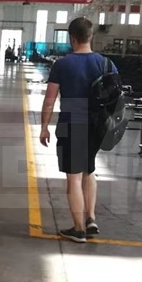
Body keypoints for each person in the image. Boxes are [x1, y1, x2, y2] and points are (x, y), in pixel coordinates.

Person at [39, 17, 117, 243]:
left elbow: (49, 100)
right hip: (97, 125)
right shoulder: (107, 64)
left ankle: (79, 229)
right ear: (91, 36)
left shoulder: (62, 65)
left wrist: (44, 127)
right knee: (89, 171)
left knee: (73, 178)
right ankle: (91, 219)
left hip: (71, 123)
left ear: (71, 38)